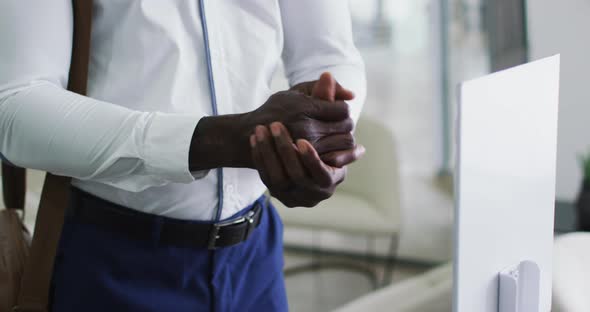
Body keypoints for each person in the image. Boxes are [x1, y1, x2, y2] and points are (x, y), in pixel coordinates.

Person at [0, 1, 366, 311]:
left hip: (256, 260)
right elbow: (14, 105)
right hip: (113, 263)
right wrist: (221, 140)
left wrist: (319, 140)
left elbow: (329, 54)